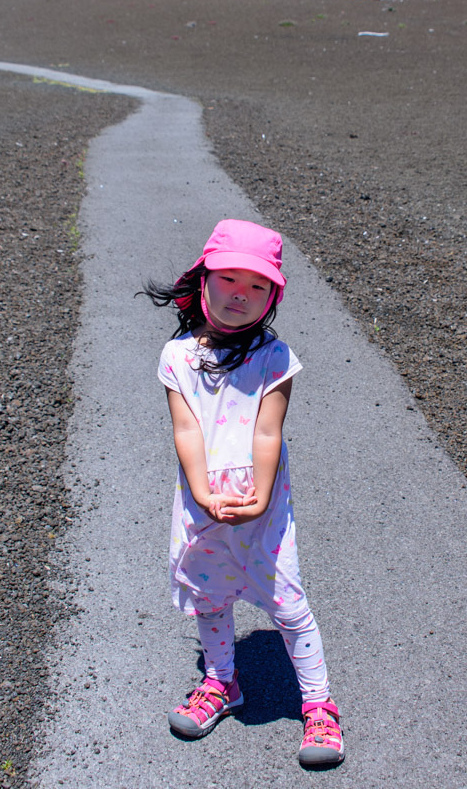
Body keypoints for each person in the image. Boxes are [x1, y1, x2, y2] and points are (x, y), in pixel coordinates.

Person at [140, 219, 344, 768]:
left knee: (288, 603)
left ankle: (319, 706)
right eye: (228, 278)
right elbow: (185, 429)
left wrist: (258, 497)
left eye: (256, 285)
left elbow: (266, 431)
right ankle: (222, 682)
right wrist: (203, 493)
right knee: (209, 595)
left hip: (262, 505)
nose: (239, 294)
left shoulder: (275, 358)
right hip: (201, 501)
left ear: (272, 295)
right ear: (202, 281)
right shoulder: (176, 356)